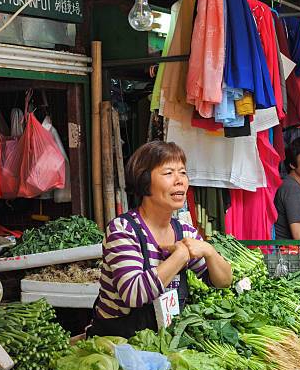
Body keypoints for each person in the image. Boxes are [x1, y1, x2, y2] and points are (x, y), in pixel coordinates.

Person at [87, 141, 232, 338]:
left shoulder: (184, 231)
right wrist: (179, 256)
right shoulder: (123, 229)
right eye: (168, 173)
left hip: (162, 339)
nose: (179, 180)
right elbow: (133, 294)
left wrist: (209, 251)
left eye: (182, 172)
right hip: (117, 343)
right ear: (145, 181)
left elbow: (223, 281)